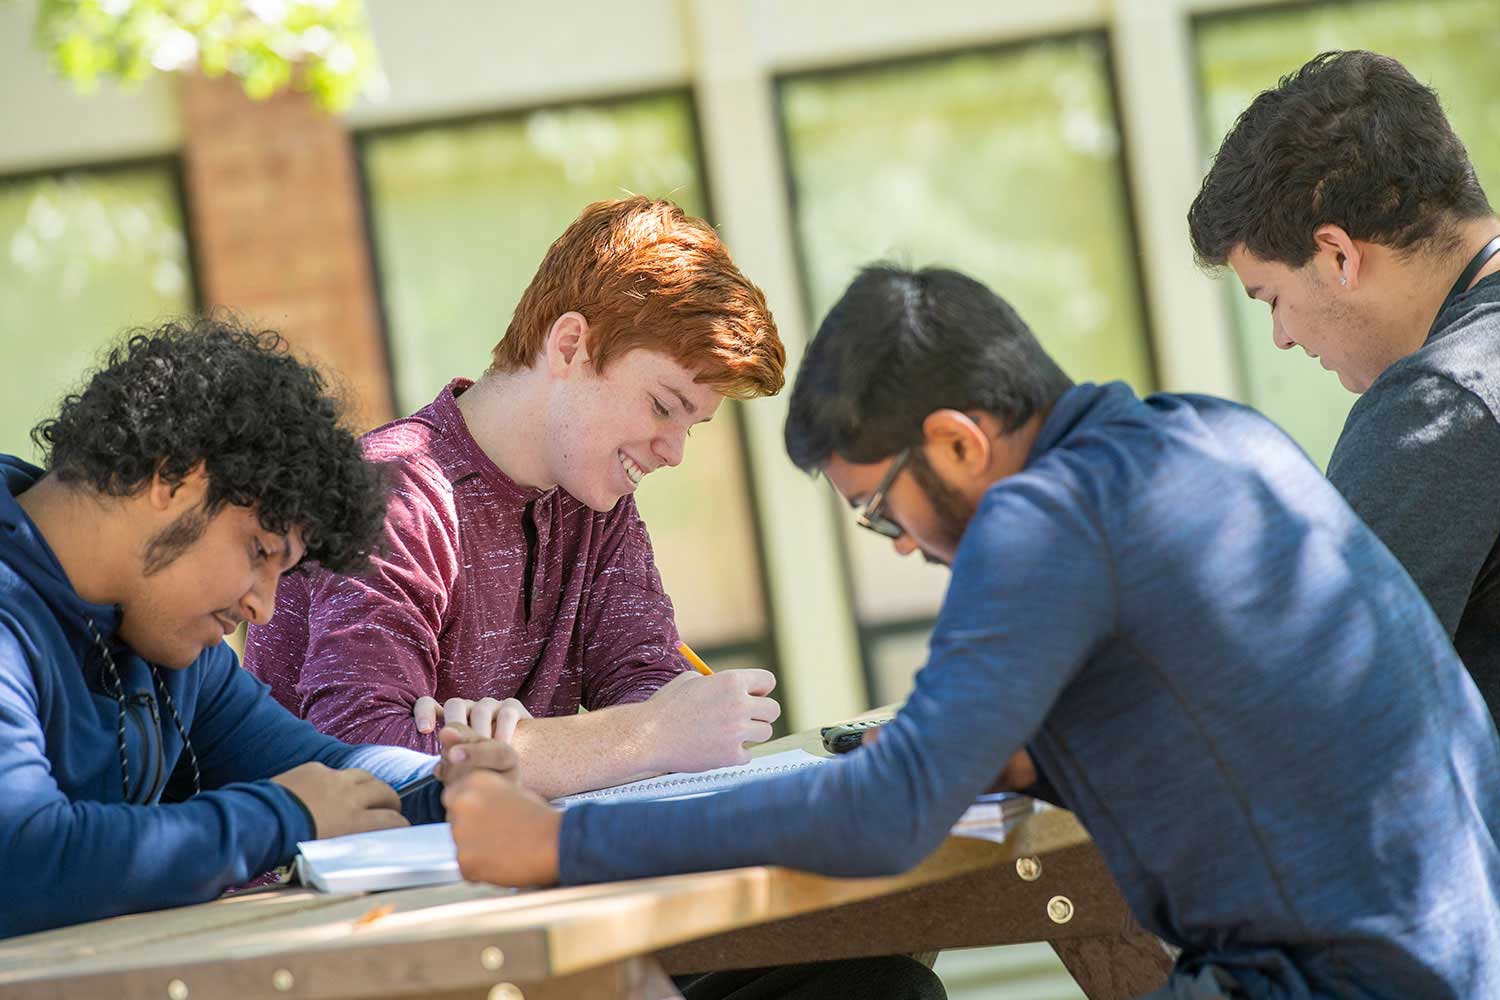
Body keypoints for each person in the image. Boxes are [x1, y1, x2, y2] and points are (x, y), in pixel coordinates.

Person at [440, 266, 1500, 998]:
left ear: (956, 443)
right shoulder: (1211, 432)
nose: (896, 544)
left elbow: (892, 812)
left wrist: (559, 844)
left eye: (879, 508)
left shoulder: (1044, 521)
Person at [243, 197, 786, 799]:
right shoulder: (393, 494)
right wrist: (644, 736)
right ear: (570, 345)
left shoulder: (593, 501)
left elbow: (650, 684)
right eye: (663, 406)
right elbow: (365, 764)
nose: (674, 452)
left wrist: (650, 719)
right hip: (330, 891)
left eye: (692, 426)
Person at [0, 319, 510, 939]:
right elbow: (22, 860)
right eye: (260, 552)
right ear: (173, 477)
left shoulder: (163, 634)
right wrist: (283, 815)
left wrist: (445, 785)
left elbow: (323, 769)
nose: (262, 609)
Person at [1188, 50, 1500, 720]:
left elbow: (1312, 699)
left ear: (1337, 255)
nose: (1281, 336)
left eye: (1270, 297)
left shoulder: (1440, 403)